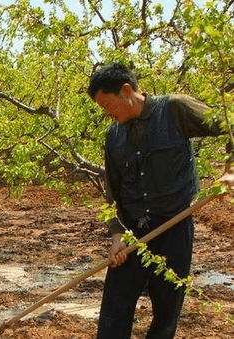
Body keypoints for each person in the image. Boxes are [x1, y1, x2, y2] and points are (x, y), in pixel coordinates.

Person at [87, 62, 233, 339]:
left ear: (126, 90)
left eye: (107, 105)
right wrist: (117, 234)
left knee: (166, 311)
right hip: (132, 234)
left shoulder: (175, 109)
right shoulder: (113, 137)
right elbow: (111, 195)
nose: (107, 113)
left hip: (174, 228)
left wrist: (230, 170)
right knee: (114, 311)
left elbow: (230, 124)